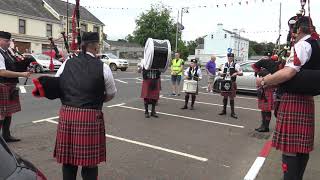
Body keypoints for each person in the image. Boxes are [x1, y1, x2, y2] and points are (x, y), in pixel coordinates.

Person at [256, 16, 320, 180]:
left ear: (298, 29)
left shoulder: (302, 45)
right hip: (307, 100)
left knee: (291, 148)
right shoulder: (316, 44)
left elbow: (288, 72)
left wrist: (263, 81)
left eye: (292, 30)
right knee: (302, 148)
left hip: (293, 101)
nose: (291, 35)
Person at [54, 32, 117, 180]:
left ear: (82, 46)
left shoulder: (67, 63)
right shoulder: (103, 67)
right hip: (90, 117)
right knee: (89, 164)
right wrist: (98, 101)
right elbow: (111, 93)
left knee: (68, 162)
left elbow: (57, 84)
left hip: (68, 115)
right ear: (95, 46)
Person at [0, 31, 31, 142]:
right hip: (2, 85)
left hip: (10, 86)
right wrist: (21, 74)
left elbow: (13, 66)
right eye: (6, 41)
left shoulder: (7, 52)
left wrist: (26, 64)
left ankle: (6, 136)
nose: (9, 43)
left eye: (9, 41)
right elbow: (2, 72)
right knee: (2, 113)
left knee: (8, 112)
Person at [251, 55, 284, 132]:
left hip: (268, 91)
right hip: (262, 91)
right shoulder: (262, 68)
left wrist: (266, 84)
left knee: (267, 110)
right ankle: (263, 125)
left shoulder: (274, 70)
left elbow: (276, 82)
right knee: (263, 109)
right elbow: (257, 75)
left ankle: (266, 127)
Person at [218, 53, 243, 119]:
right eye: (229, 57)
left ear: (233, 58)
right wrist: (221, 74)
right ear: (227, 57)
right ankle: (224, 110)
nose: (230, 58)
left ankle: (232, 112)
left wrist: (236, 73)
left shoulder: (236, 65)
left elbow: (241, 73)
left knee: (231, 97)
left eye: (231, 57)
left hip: (232, 82)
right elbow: (220, 73)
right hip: (225, 82)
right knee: (225, 97)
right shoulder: (224, 65)